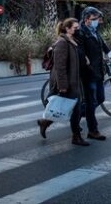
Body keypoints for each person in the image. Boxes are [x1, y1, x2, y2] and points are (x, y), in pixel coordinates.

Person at [37, 18, 89, 146]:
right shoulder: (62, 43)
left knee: (71, 110)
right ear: (67, 29)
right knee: (74, 110)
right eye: (75, 28)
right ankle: (76, 137)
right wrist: (63, 86)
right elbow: (60, 67)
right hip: (68, 82)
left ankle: (45, 123)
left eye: (78, 28)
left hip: (76, 81)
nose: (78, 30)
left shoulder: (73, 41)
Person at [77, 6, 111, 141]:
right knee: (91, 102)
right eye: (94, 19)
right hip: (88, 73)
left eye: (98, 19)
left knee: (100, 98)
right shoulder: (81, 33)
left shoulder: (94, 32)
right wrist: (85, 59)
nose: (97, 21)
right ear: (87, 19)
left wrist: (110, 53)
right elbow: (80, 51)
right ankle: (93, 130)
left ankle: (75, 116)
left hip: (98, 72)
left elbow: (103, 45)